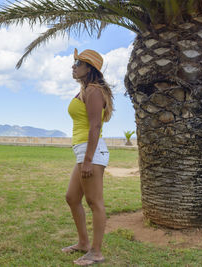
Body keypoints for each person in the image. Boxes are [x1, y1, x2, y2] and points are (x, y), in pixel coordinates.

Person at [62, 48, 114, 266]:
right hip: (84, 151)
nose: (73, 67)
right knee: (72, 198)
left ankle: (96, 252)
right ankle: (83, 243)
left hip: (91, 152)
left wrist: (88, 160)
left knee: (94, 202)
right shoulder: (86, 90)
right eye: (74, 63)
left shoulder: (93, 91)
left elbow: (95, 126)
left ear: (89, 68)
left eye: (77, 63)